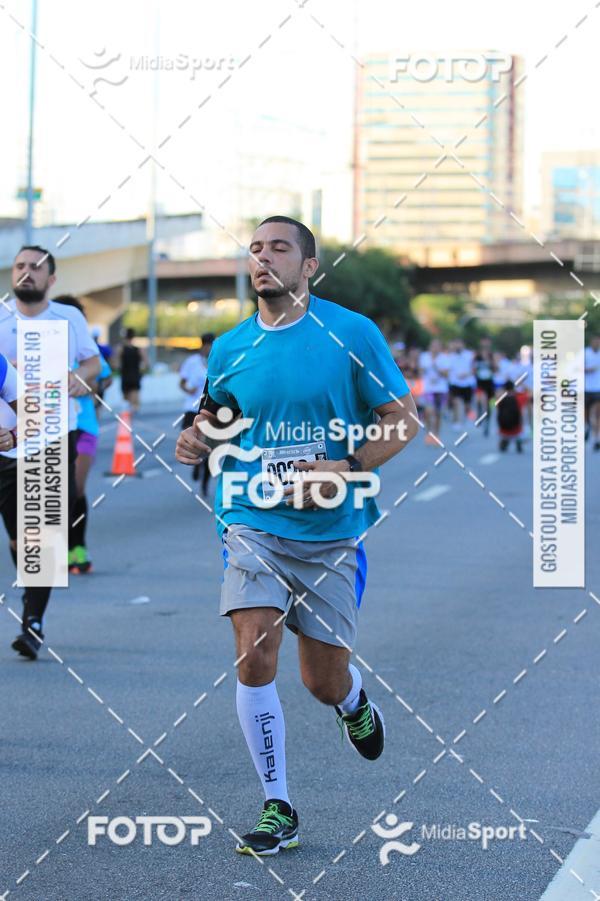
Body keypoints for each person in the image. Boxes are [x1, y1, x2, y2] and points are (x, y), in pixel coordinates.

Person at [176, 215, 418, 856]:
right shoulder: (230, 346)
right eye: (255, 249)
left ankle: (353, 701)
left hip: (332, 531)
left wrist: (347, 467)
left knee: (321, 681)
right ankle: (277, 804)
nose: (263, 258)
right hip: (252, 520)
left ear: (309, 266)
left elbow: (402, 420)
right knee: (253, 653)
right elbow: (219, 416)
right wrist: (199, 436)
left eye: (279, 248)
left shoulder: (351, 334)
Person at [0, 246, 100, 659]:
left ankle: (33, 621)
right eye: (20, 266)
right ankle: (32, 590)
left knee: (43, 531)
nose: (26, 273)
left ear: (51, 279)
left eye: (36, 268)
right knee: (19, 537)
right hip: (7, 440)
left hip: (57, 432)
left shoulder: (68, 317)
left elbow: (93, 364)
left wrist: (81, 377)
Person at [53, 295, 113, 574]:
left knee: (75, 488)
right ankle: (61, 549)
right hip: (51, 427)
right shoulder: (43, 346)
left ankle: (78, 547)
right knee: (55, 491)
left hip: (84, 425)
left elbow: (103, 378)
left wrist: (88, 387)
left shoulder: (86, 349)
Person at [179, 332, 214, 493]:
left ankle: (205, 481)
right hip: (192, 409)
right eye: (208, 346)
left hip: (210, 410)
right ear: (203, 346)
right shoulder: (192, 362)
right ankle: (196, 464)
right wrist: (188, 389)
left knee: (209, 449)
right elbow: (182, 382)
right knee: (192, 441)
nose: (210, 349)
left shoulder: (217, 360)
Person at [419, 339, 450, 443]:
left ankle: (436, 434)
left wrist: (436, 366)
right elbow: (420, 371)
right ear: (430, 347)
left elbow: (446, 375)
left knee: (438, 414)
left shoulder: (444, 358)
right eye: (433, 346)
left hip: (441, 389)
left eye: (437, 346)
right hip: (428, 389)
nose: (435, 348)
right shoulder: (424, 357)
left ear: (440, 348)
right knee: (428, 412)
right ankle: (429, 433)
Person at [447, 338, 476, 429]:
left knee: (467, 405)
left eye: (460, 343)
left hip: (467, 383)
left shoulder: (470, 355)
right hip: (455, 383)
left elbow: (474, 369)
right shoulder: (450, 356)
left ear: (463, 344)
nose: (458, 346)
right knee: (456, 402)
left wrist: (466, 374)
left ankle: (467, 418)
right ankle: (457, 422)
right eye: (456, 344)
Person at [117, 327, 146, 412]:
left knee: (126, 401)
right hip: (135, 375)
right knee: (135, 402)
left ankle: (127, 416)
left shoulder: (121, 349)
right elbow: (146, 363)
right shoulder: (139, 349)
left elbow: (116, 363)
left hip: (125, 375)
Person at [473, 337, 495, 436]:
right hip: (480, 383)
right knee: (481, 401)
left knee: (487, 405)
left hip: (489, 383)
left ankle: (487, 423)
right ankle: (479, 415)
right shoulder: (477, 356)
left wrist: (490, 363)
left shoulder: (491, 356)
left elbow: (496, 369)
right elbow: (472, 368)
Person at [497, 380, 523, 453]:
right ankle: (517, 441)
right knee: (517, 432)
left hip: (503, 424)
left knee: (504, 434)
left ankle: (505, 441)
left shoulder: (500, 398)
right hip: (516, 423)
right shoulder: (518, 397)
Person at [584, 334, 600, 451]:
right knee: (586, 415)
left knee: (596, 414)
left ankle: (595, 439)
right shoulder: (584, 353)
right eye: (595, 341)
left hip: (597, 389)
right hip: (585, 389)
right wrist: (587, 369)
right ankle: (587, 428)